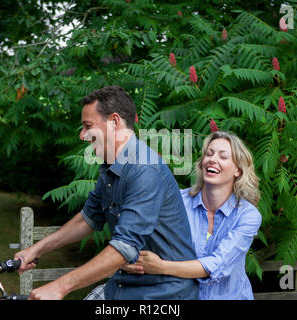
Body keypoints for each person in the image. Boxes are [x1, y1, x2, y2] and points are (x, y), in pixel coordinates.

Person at [14, 85, 198, 300]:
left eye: (87, 126)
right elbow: (87, 219)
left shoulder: (144, 169)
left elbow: (124, 247)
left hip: (163, 293)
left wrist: (59, 287)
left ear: (114, 122)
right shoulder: (112, 168)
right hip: (125, 286)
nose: (82, 135)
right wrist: (36, 250)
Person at [122, 130, 262, 300]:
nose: (212, 159)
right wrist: (129, 259)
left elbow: (217, 265)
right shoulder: (176, 200)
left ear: (237, 171)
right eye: (209, 154)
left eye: (223, 157)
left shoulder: (247, 215)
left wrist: (159, 266)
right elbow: (136, 233)